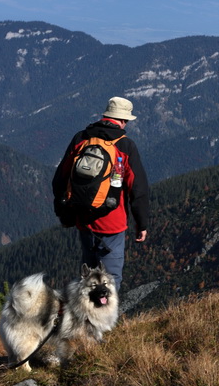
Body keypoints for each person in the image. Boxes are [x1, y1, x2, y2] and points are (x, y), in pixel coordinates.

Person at [52, 96, 149, 291]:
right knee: (110, 280)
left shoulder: (81, 138)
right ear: (123, 121)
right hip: (112, 223)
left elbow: (59, 179)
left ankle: (85, 318)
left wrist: (65, 212)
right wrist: (142, 224)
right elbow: (138, 189)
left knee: (88, 278)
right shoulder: (125, 146)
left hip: (84, 221)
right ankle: (105, 321)